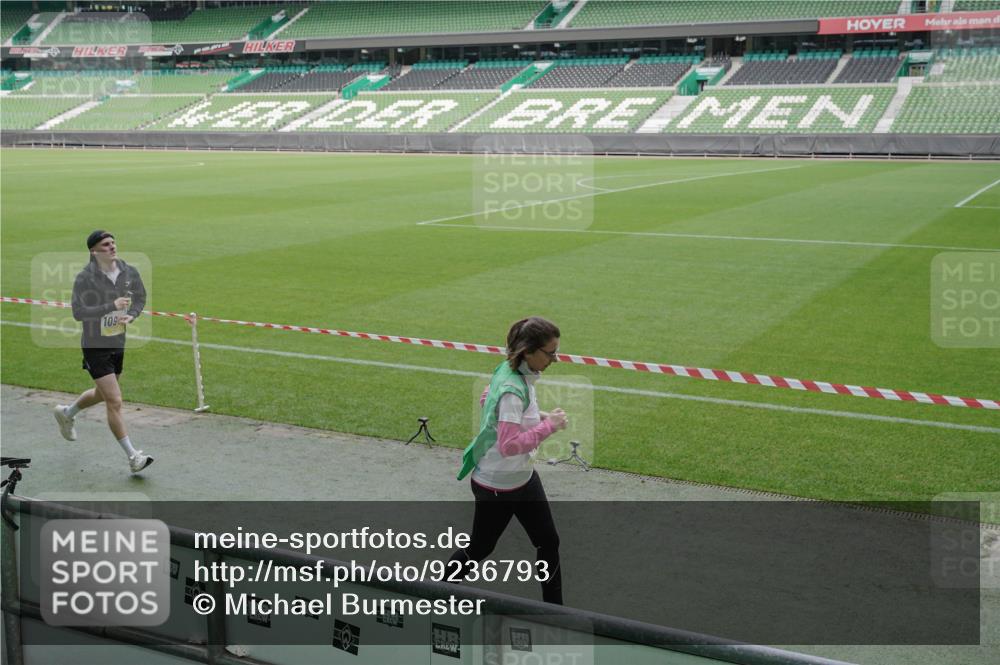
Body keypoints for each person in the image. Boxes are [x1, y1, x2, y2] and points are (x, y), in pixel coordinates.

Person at [449, 316, 567, 604]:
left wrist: (540, 417)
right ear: (528, 351)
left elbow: (492, 402)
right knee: (479, 548)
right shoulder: (513, 389)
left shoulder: (512, 372)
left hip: (522, 479)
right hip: (498, 486)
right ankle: (435, 591)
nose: (555, 359)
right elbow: (510, 444)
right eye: (550, 353)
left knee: (548, 541)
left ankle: (555, 611)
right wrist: (548, 426)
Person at [53, 230, 153, 474]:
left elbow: (140, 297)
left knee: (101, 394)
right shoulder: (85, 278)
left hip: (117, 342)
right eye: (106, 245)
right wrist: (111, 306)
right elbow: (78, 312)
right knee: (114, 400)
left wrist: (134, 313)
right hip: (94, 346)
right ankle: (133, 457)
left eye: (113, 243)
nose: (112, 247)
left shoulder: (128, 271)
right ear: (94, 251)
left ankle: (67, 413)